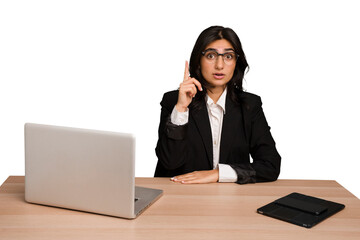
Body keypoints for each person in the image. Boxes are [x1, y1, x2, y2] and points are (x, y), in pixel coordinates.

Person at [154, 26, 281, 184]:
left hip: (230, 199)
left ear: (236, 62)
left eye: (228, 56)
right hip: (182, 196)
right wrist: (181, 109)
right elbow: (170, 163)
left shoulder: (250, 105)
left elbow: (270, 165)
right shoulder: (173, 100)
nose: (220, 65)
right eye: (211, 55)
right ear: (198, 61)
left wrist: (217, 174)